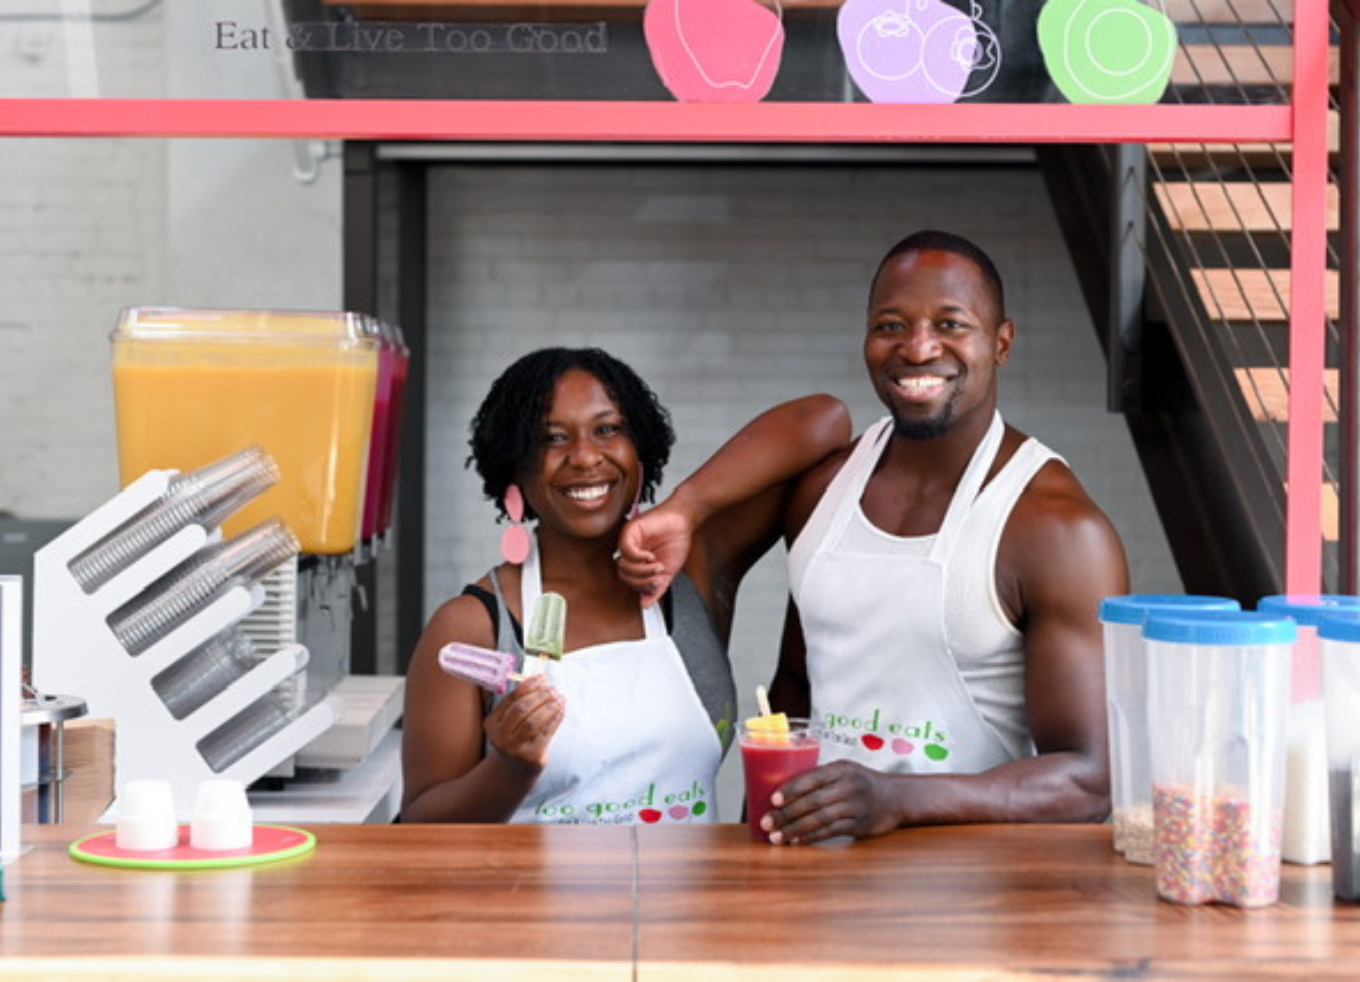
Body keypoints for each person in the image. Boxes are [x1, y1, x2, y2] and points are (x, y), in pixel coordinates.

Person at [619, 229, 1130, 843]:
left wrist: (894, 797)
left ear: (1002, 343)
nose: (917, 348)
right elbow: (798, 692)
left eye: (950, 324)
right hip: (816, 886)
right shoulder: (822, 490)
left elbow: (1088, 782)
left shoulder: (1057, 528)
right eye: (891, 325)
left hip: (972, 907)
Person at [401, 347, 850, 824]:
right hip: (528, 898)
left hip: (694, 898)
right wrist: (508, 767)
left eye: (608, 430)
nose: (585, 456)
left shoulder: (691, 572)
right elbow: (420, 822)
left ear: (641, 452)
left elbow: (826, 420)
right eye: (552, 438)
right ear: (514, 468)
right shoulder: (472, 625)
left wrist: (686, 508)